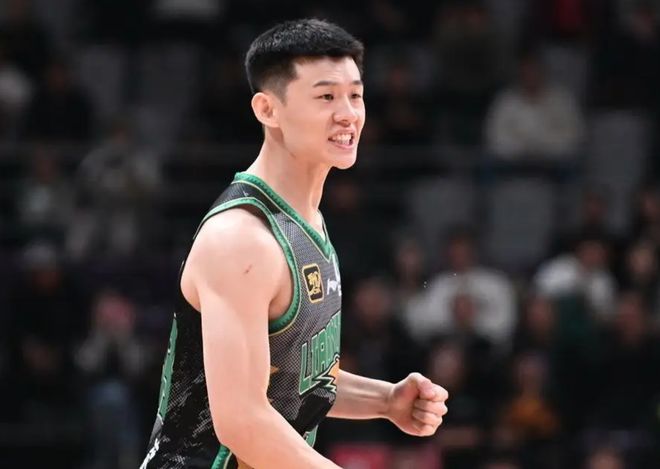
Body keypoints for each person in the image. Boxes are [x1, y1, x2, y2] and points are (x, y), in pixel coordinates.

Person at [141, 19, 449, 469]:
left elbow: (293, 378)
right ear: (268, 109)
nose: (348, 114)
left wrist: (385, 400)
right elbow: (242, 421)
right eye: (326, 97)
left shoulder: (306, 220)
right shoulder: (241, 240)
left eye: (355, 95)